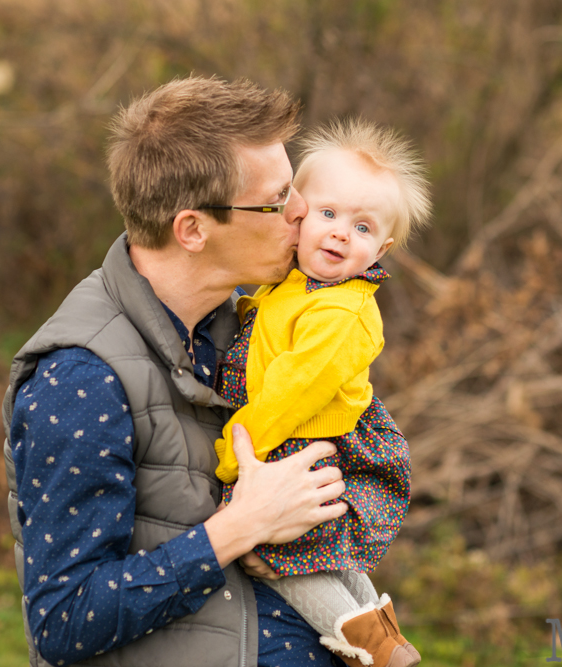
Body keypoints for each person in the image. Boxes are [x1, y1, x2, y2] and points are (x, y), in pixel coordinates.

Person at [1, 76, 406, 667]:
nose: (303, 213)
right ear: (192, 229)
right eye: (276, 200)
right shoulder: (81, 379)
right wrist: (237, 528)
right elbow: (65, 622)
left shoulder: (246, 323)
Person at [214, 118, 430, 667]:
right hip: (297, 434)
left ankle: (364, 642)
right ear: (297, 213)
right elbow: (271, 318)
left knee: (278, 552)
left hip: (296, 437)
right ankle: (386, 640)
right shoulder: (296, 280)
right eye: (329, 215)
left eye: (362, 228)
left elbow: (290, 389)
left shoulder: (342, 310)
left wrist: (235, 453)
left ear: (382, 247)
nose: (339, 233)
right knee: (328, 549)